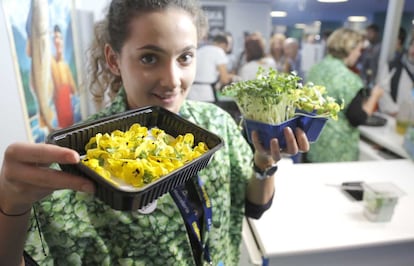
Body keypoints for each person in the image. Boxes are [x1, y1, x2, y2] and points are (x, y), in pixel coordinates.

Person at [0, 1, 310, 265]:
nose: (173, 80)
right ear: (114, 60)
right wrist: (11, 207)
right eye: (149, 58)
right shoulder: (75, 160)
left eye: (185, 57)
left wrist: (265, 162)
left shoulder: (215, 124)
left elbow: (254, 206)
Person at [304, 27, 384, 163]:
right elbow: (357, 118)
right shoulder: (349, 79)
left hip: (312, 142)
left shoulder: (316, 69)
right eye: (358, 49)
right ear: (349, 49)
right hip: (337, 151)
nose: (359, 54)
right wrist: (375, 96)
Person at [187, 33, 234, 102]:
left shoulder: (200, 50)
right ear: (224, 45)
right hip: (206, 94)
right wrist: (232, 77)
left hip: (191, 93)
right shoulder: (219, 51)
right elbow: (224, 79)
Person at [379, 36, 414, 126]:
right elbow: (382, 91)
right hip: (392, 121)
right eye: (413, 45)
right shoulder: (393, 66)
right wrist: (396, 112)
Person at [51, 25, 78, 128]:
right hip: (58, 98)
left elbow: (73, 88)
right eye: (55, 38)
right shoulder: (51, 63)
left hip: (67, 98)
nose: (58, 41)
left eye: (60, 38)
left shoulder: (65, 64)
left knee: (70, 124)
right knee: (63, 127)